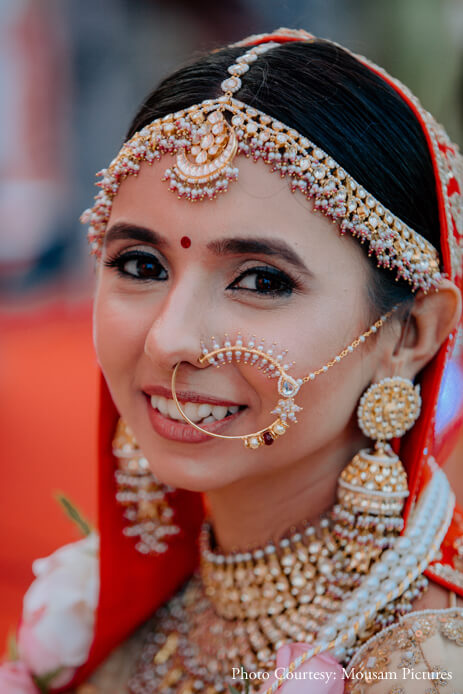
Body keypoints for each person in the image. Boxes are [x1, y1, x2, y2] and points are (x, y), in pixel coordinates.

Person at [4, 28, 463, 694]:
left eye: (261, 280)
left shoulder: (424, 663)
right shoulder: (126, 620)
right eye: (141, 264)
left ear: (408, 334)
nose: (170, 341)